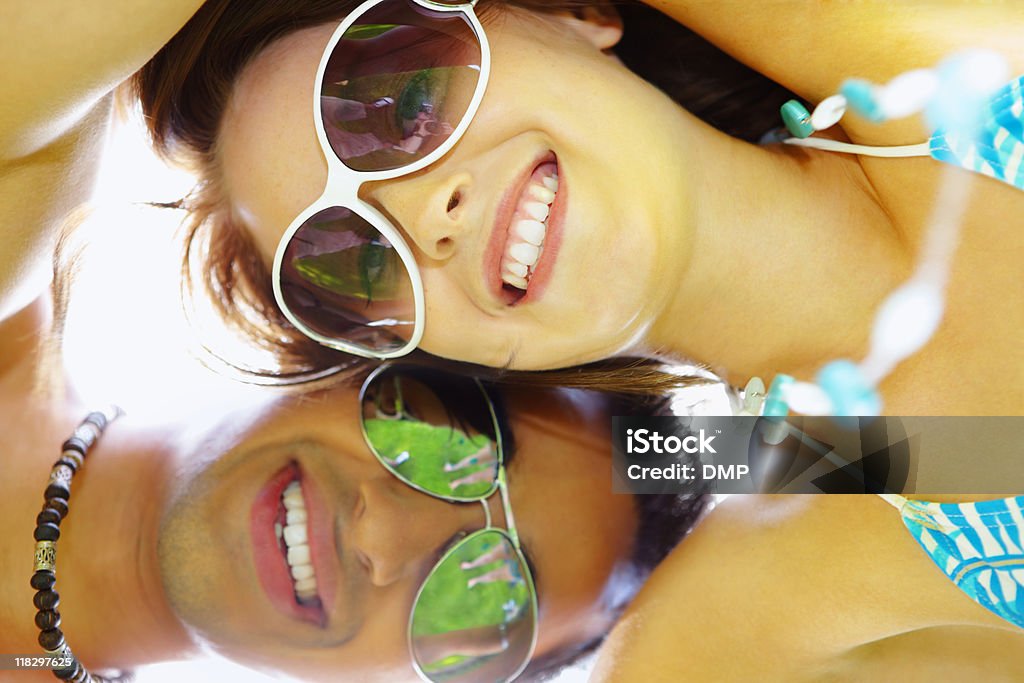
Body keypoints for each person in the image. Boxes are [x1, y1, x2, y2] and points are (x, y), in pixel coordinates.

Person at [135, 0, 1023, 415]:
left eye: (404, 103)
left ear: (569, 11)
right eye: (357, 266)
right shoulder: (780, 535)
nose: (424, 217)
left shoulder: (943, 52)